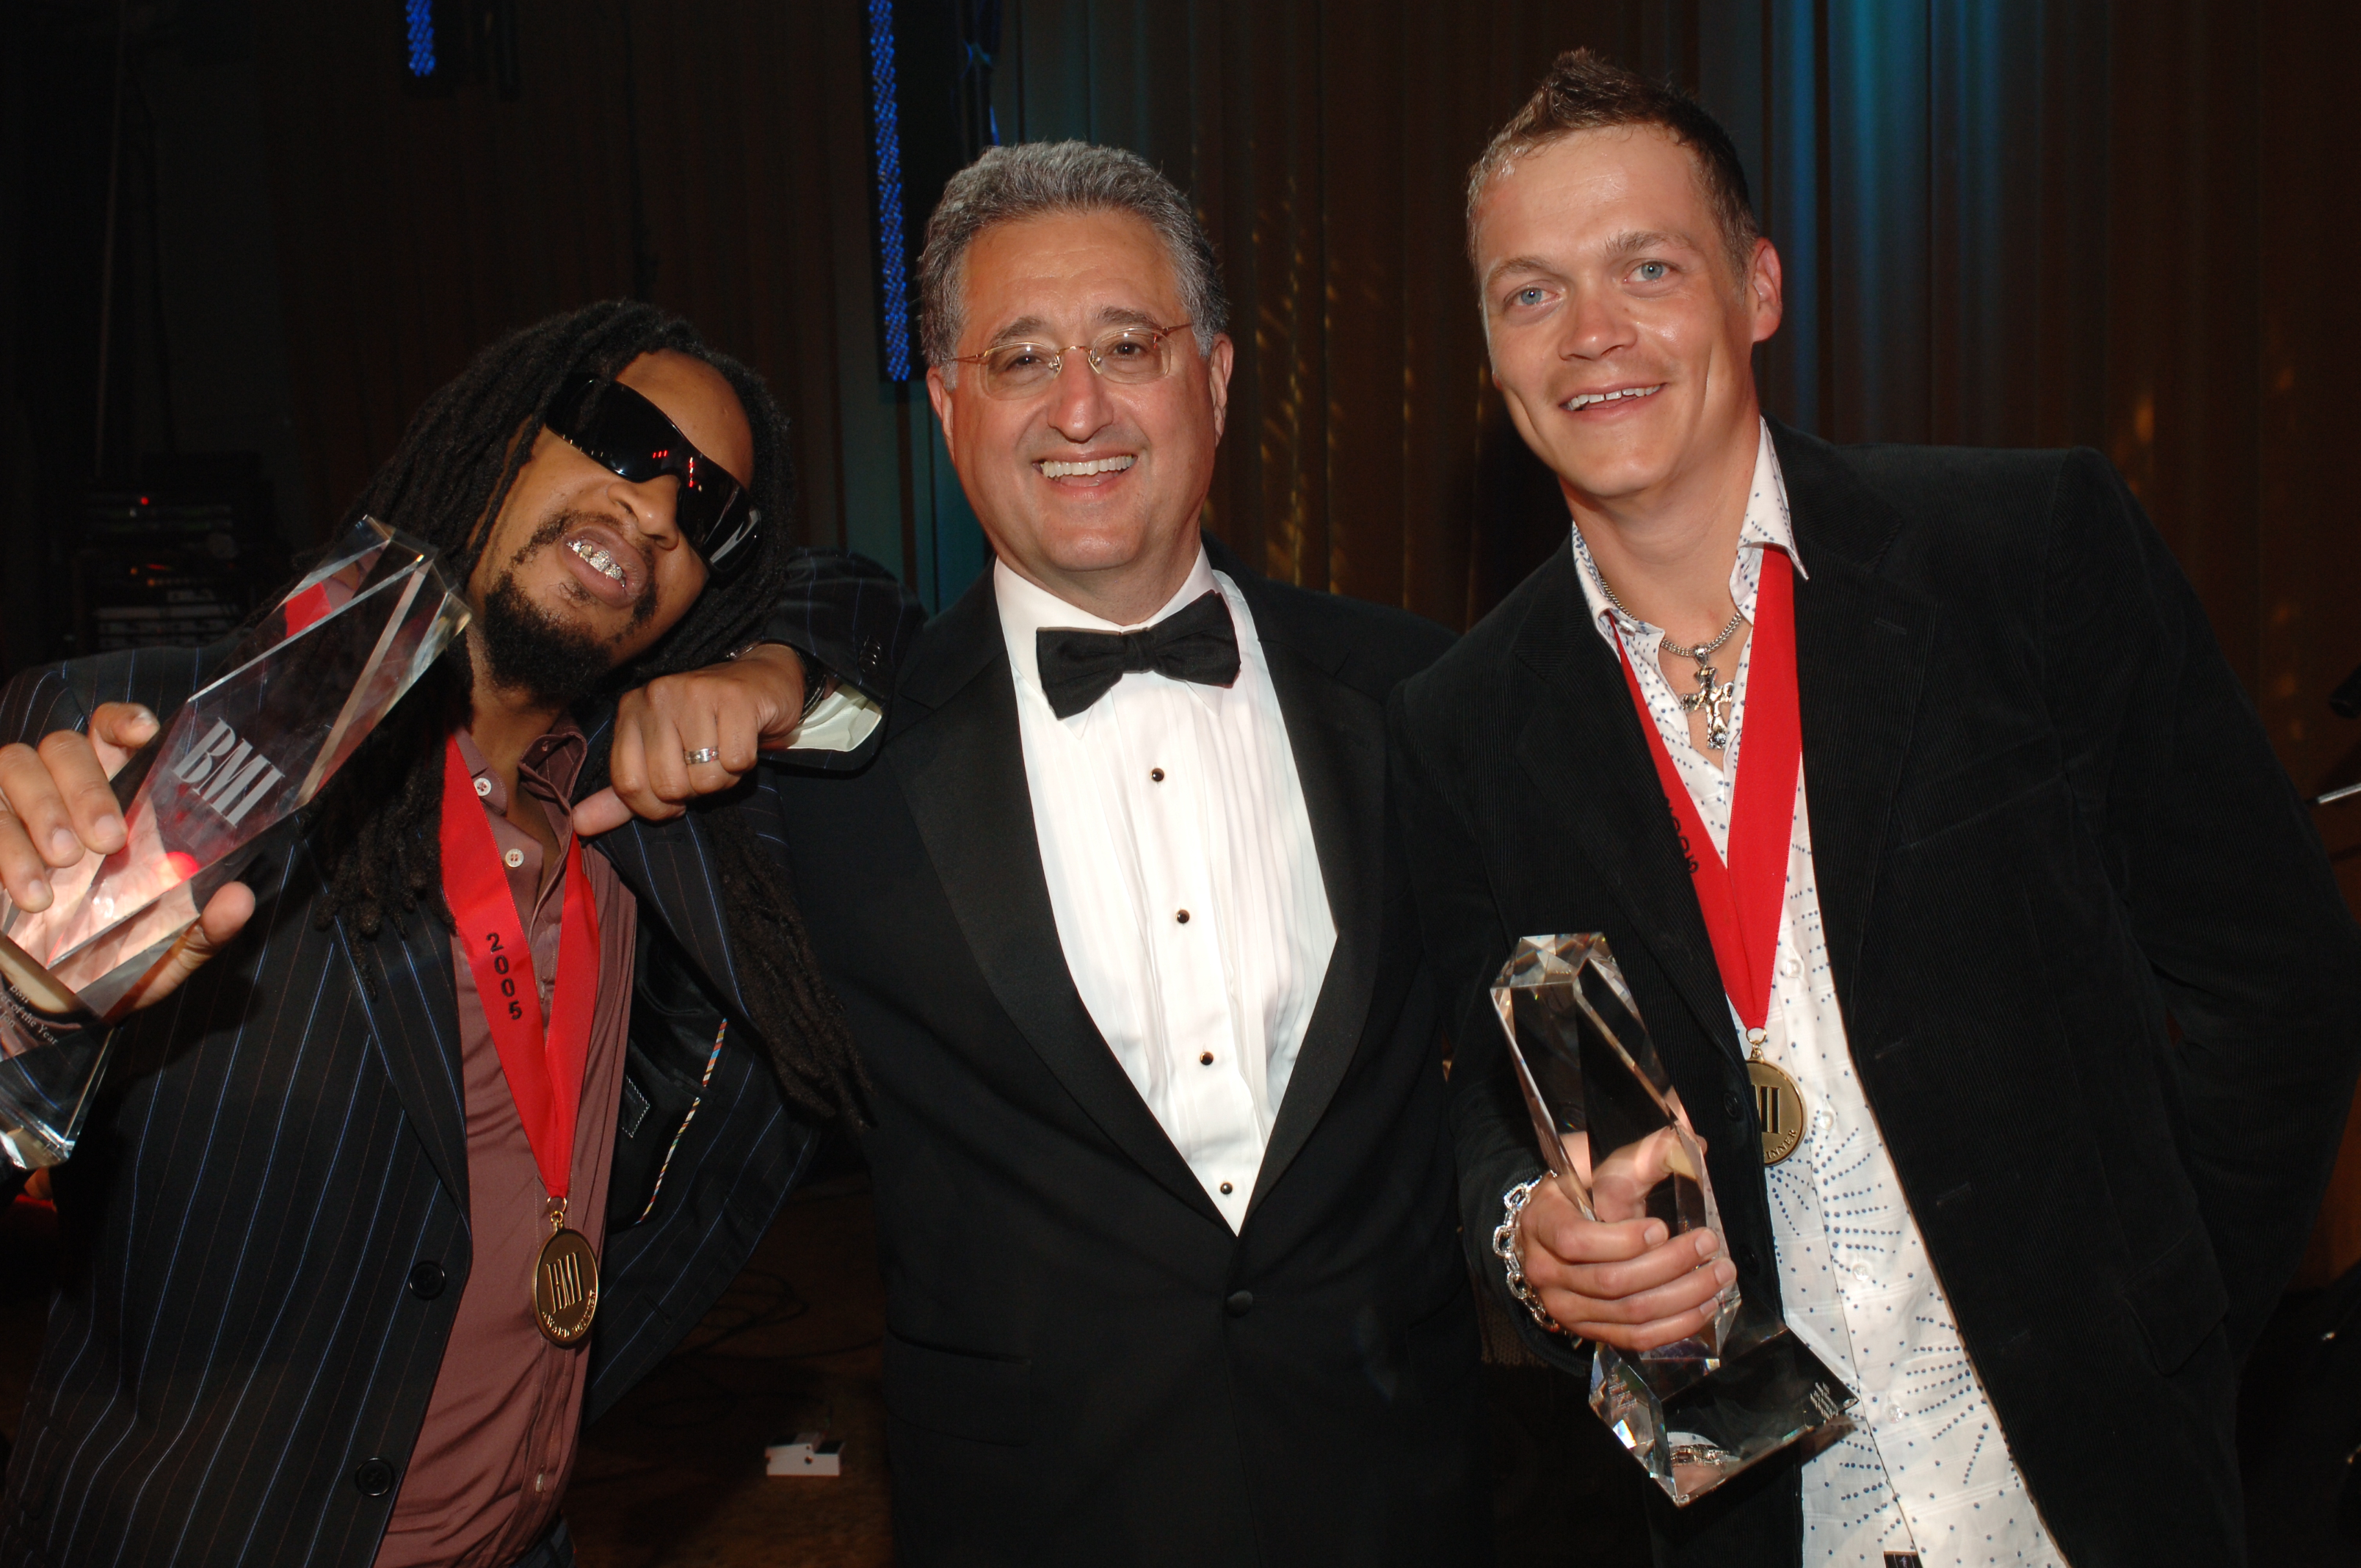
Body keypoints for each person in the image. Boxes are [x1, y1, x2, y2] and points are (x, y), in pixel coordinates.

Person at [1392, 49, 2361, 1568]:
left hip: (2090, 1498)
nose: (1591, 332)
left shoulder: (2023, 554)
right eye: (1531, 292)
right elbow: (1484, 1101)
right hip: (1752, 1512)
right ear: (1492, 348)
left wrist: (2160, 1337)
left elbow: (2278, 983)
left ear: (1758, 287)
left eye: (1648, 267)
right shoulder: (1458, 725)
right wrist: (1530, 1236)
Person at [0, 300, 918, 1568]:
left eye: (709, 514)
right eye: (628, 441)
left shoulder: (642, 813)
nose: (659, 510)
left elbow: (879, 609)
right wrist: (25, 1004)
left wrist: (774, 670)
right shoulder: (168, 737)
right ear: (500, 433)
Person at [762, 141, 1487, 1564]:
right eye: (1022, 358)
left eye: (1127, 347)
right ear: (949, 405)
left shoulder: (1420, 697)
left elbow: (1526, 1053)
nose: (1080, 406)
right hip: (1035, 1518)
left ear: (1214, 378)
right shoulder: (833, 768)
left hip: (1394, 1497)